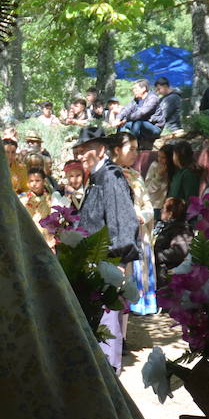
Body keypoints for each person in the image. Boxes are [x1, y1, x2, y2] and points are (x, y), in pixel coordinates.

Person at [77, 139, 139, 373]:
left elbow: (123, 219)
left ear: (101, 150)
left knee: (108, 318)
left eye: (86, 150)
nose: (81, 155)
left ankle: (109, 370)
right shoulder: (96, 175)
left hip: (109, 261)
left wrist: (121, 261)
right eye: (80, 151)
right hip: (94, 260)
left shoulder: (111, 176)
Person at [112, 137, 157, 315]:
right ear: (117, 150)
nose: (135, 154)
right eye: (130, 149)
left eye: (136, 149)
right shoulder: (109, 175)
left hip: (138, 232)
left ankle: (142, 303)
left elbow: (148, 206)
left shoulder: (136, 176)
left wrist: (142, 216)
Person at [115, 79, 162, 145]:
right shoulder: (136, 100)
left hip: (154, 127)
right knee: (123, 124)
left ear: (143, 89)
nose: (133, 91)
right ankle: (119, 143)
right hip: (140, 126)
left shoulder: (152, 99)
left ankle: (132, 145)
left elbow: (141, 113)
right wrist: (118, 119)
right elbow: (126, 109)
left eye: (136, 89)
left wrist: (126, 119)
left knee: (137, 123)